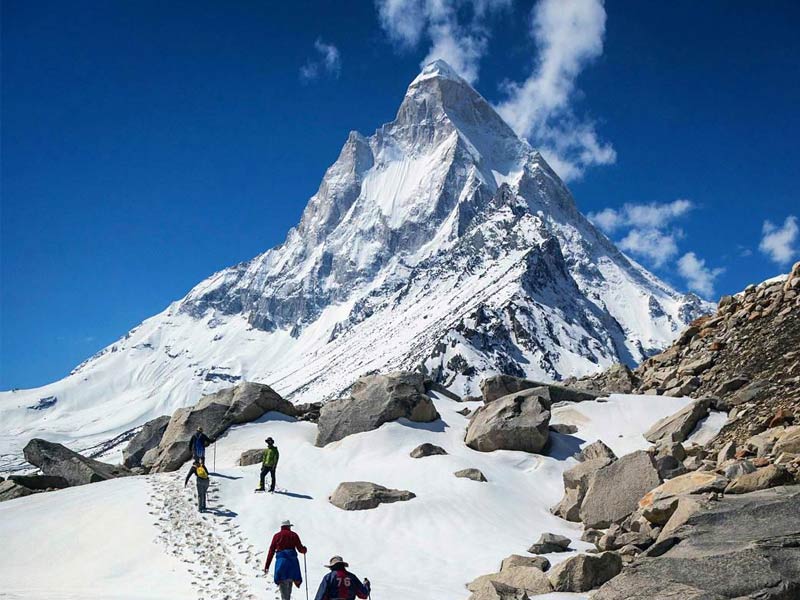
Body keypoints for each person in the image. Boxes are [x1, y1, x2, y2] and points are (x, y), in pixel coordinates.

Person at [264, 520, 307, 600]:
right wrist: (304, 549)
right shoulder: (294, 535)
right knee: (289, 587)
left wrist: (267, 565)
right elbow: (300, 549)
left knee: (283, 589)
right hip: (292, 565)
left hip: (281, 565)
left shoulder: (276, 536)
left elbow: (271, 551)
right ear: (289, 526)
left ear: (281, 527)